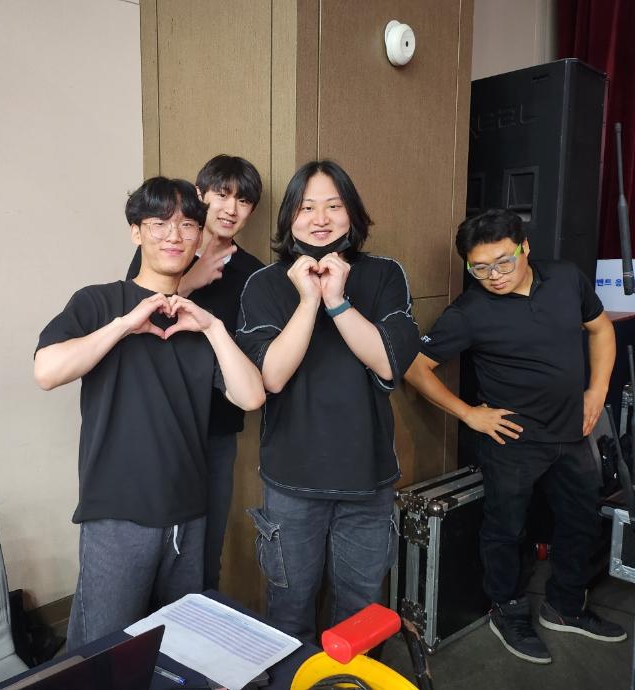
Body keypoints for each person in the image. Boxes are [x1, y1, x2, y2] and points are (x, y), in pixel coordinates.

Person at [34, 176, 265, 650]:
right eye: (159, 223)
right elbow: (47, 371)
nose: (174, 235)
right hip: (117, 514)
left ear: (199, 238)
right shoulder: (99, 302)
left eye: (187, 225)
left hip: (189, 514)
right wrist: (124, 325)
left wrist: (214, 328)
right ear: (136, 232)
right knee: (103, 655)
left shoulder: (196, 322)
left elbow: (251, 397)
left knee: (178, 649)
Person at [404, 208, 626, 664]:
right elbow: (415, 367)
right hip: (513, 440)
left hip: (573, 431)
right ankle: (507, 611)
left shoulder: (565, 278)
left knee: (581, 521)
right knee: (505, 529)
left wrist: (597, 390)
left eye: (503, 262)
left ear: (524, 246)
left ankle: (565, 607)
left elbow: (600, 328)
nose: (494, 276)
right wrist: (469, 414)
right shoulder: (469, 311)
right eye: (480, 268)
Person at [236, 159, 419, 642]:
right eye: (306, 207)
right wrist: (308, 300)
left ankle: (349, 678)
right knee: (288, 611)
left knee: (360, 613)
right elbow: (272, 377)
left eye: (333, 206)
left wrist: (337, 300)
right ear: (289, 218)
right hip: (292, 483)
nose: (320, 218)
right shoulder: (265, 284)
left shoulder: (384, 275)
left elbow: (388, 363)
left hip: (367, 479)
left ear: (352, 213)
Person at [126, 154, 265, 590]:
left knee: (205, 547)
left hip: (215, 424)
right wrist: (190, 280)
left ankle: (199, 619)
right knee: (145, 543)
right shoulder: (164, 252)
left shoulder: (254, 273)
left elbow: (248, 356)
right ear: (199, 195)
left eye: (243, 200)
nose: (230, 209)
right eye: (221, 195)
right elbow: (129, 324)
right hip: (154, 420)